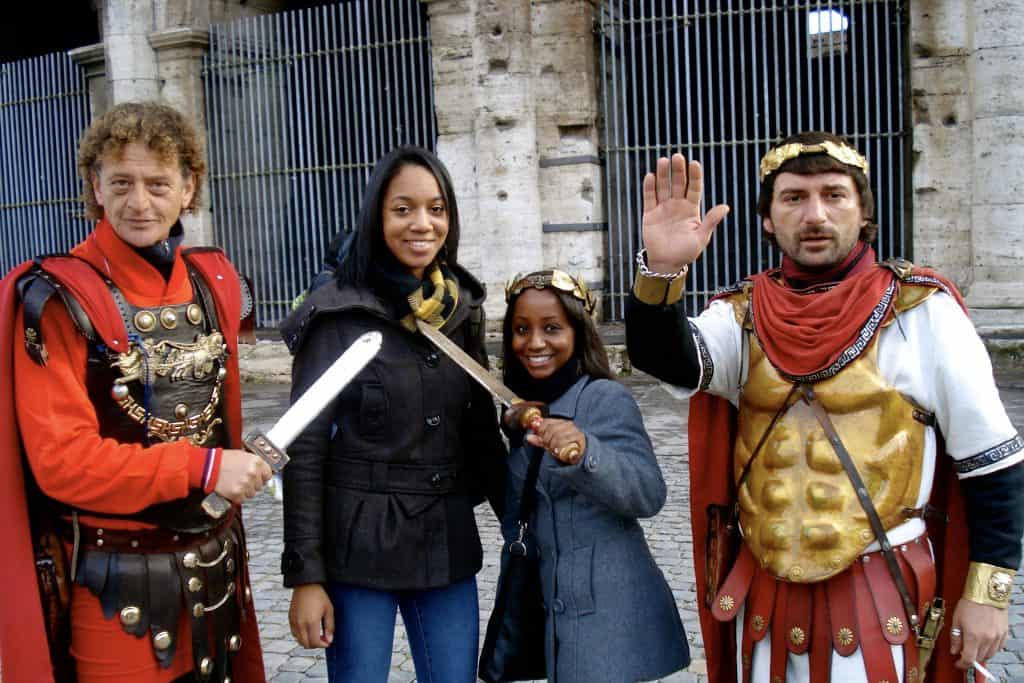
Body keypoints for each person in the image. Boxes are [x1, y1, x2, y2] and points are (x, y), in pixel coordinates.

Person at [625, 132, 1024, 683]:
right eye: (793, 198)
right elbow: (667, 358)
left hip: (880, 597)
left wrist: (988, 594)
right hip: (765, 598)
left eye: (834, 195)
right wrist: (661, 273)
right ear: (768, 219)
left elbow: (993, 464)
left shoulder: (922, 314)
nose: (814, 214)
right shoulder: (743, 316)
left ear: (864, 213)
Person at [0, 102, 271, 682]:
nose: (139, 203)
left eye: (158, 183)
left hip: (217, 563)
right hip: (118, 586)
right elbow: (63, 465)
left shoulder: (212, 279)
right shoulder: (55, 299)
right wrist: (202, 468)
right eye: (120, 183)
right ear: (95, 186)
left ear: (189, 188)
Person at [280, 145, 508, 682]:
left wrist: (529, 533)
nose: (421, 224)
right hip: (358, 547)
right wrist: (305, 577)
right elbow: (305, 450)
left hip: (445, 542)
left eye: (436, 209)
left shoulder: (461, 308)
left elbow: (480, 435)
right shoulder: (336, 312)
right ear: (376, 215)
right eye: (403, 209)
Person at [498, 269, 690, 683]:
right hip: (550, 610)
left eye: (552, 328)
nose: (534, 343)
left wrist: (586, 452)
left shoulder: (605, 397)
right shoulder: (522, 408)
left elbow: (648, 493)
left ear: (578, 332)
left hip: (609, 616)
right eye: (521, 329)